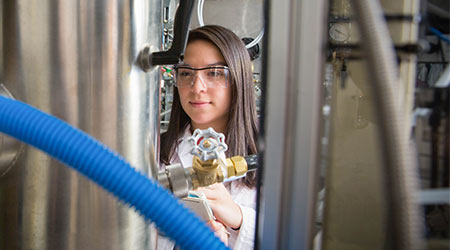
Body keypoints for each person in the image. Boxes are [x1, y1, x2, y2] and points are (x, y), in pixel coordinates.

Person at [159, 25, 259, 250]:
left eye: (213, 73)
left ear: (238, 79)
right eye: (186, 73)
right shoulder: (156, 153)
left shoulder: (273, 159)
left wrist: (239, 219)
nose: (197, 87)